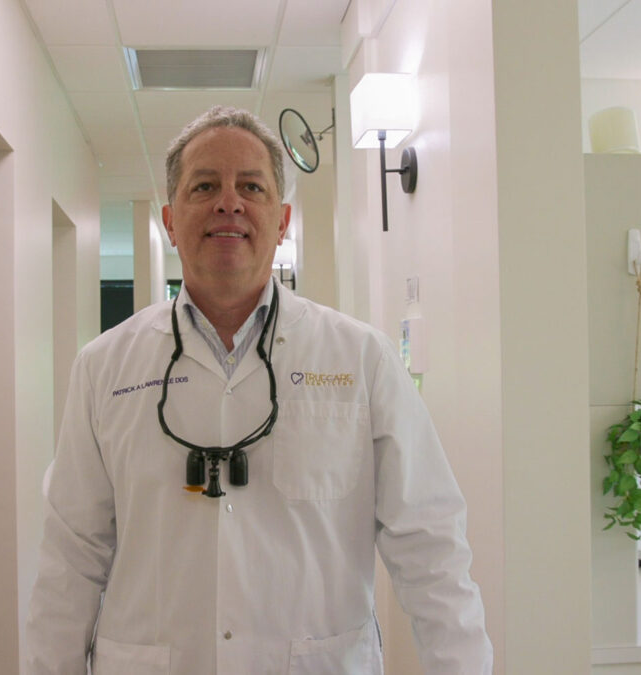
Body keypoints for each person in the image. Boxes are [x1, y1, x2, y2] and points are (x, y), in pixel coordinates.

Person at [24, 106, 492, 674]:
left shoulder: (361, 359)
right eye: (204, 186)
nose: (229, 202)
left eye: (251, 186)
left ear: (283, 219)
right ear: (170, 221)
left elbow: (429, 546)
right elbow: (71, 560)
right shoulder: (103, 367)